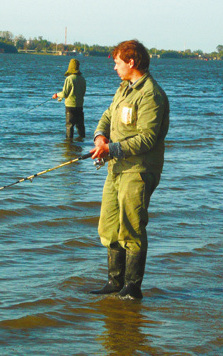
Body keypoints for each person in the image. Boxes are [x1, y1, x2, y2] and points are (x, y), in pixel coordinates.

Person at [89, 40, 170, 299]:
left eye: (117, 62)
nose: (114, 68)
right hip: (116, 169)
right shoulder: (124, 88)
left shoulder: (152, 94)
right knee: (109, 225)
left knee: (132, 227)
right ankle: (115, 282)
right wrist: (100, 137)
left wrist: (111, 149)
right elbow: (108, 114)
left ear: (131, 62)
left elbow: (147, 138)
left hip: (138, 170)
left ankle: (132, 288)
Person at [52, 58, 86, 139]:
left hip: (70, 106)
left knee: (69, 126)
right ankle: (82, 143)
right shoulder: (82, 79)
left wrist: (56, 95)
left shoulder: (69, 79)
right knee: (80, 126)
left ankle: (69, 144)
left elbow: (65, 93)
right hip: (79, 105)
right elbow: (83, 92)